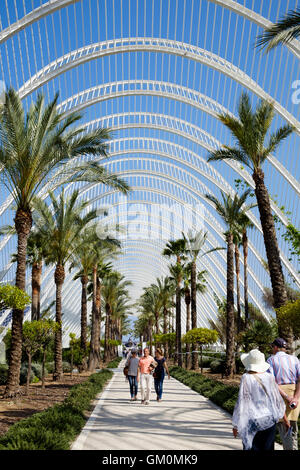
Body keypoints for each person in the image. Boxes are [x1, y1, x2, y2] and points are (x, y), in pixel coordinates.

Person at [232, 348, 288, 451]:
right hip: (269, 420)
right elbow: (276, 400)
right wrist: (285, 418)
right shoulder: (270, 377)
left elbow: (242, 401)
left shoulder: (246, 378)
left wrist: (236, 425)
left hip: (252, 420)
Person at [267, 337, 300, 450]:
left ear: (276, 347)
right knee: (293, 427)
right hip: (295, 392)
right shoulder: (295, 359)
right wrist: (295, 397)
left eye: (273, 347)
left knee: (284, 428)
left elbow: (271, 382)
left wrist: (286, 397)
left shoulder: (271, 360)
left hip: (280, 393)